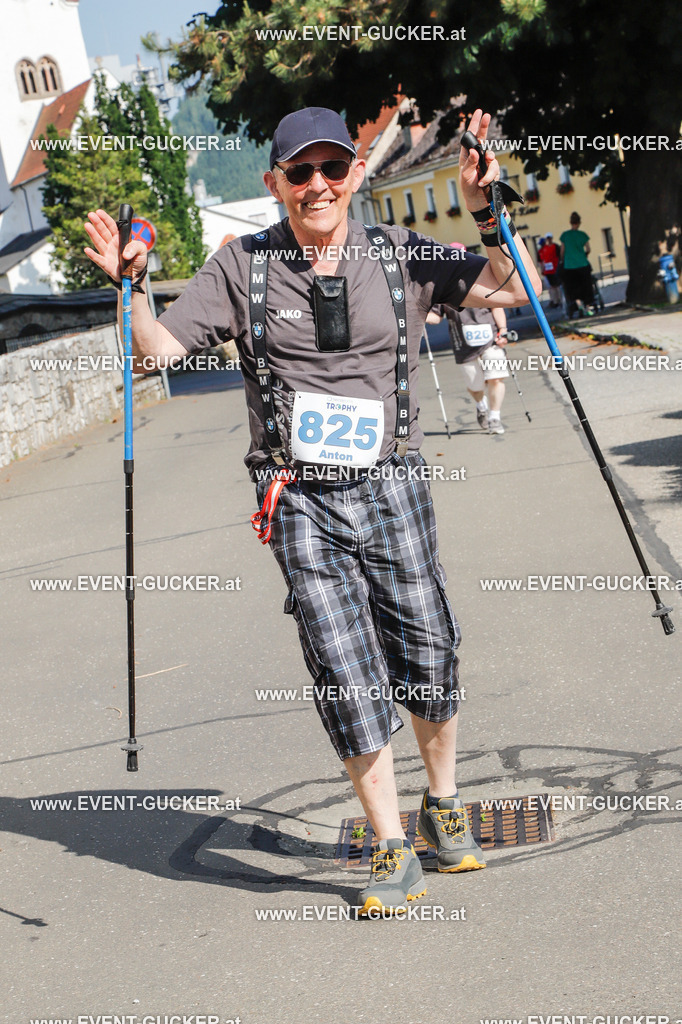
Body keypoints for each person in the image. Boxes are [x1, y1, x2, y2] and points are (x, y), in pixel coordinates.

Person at [84, 106, 542, 917]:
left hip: (393, 480)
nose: (318, 185)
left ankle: (441, 804)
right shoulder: (241, 266)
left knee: (430, 650)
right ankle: (391, 844)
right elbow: (156, 352)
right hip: (297, 495)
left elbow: (517, 288)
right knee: (342, 666)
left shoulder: (402, 251)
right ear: (276, 183)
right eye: (301, 172)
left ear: (356, 174)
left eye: (333, 168)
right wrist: (133, 285)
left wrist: (483, 208)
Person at [426, 305, 510, 434]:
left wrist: (503, 330)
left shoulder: (485, 290)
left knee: (496, 378)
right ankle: (481, 405)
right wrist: (419, 314)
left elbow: (496, 307)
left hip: (491, 340)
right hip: (463, 345)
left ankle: (494, 417)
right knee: (475, 386)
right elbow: (436, 316)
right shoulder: (443, 292)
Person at [559, 212, 594, 317]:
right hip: (583, 264)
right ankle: (588, 307)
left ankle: (579, 305)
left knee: (573, 287)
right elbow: (588, 249)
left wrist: (563, 260)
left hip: (569, 266)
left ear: (570, 222)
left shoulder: (565, 235)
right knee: (586, 286)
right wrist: (584, 255)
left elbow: (562, 251)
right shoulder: (583, 235)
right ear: (579, 223)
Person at [538, 232, 563, 308]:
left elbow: (560, 257)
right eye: (547, 238)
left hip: (556, 270)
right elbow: (542, 261)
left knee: (558, 286)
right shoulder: (543, 249)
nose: (549, 240)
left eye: (550, 238)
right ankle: (555, 302)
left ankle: (560, 301)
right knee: (552, 287)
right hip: (548, 272)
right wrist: (543, 270)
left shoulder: (556, 246)